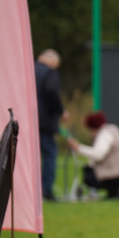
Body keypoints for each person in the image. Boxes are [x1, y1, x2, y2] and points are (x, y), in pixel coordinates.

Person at [66, 111, 119, 200]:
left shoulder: (105, 134)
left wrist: (78, 148)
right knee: (91, 170)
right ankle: (116, 193)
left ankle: (116, 191)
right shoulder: (112, 129)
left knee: (89, 175)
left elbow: (98, 154)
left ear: (93, 127)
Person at [34, 48, 68, 201]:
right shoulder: (50, 72)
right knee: (49, 154)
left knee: (31, 155)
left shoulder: (29, 69)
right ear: (52, 60)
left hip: (29, 120)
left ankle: (31, 191)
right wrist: (61, 111)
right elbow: (51, 91)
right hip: (45, 121)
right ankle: (46, 189)